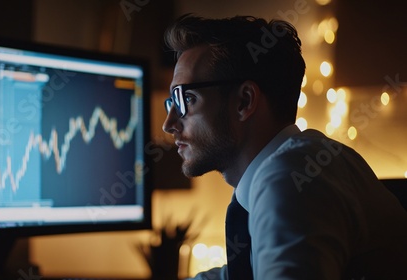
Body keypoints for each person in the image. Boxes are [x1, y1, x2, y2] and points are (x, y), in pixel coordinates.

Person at [162, 14, 407, 279]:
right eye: (171, 101)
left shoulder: (289, 179)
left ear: (244, 101)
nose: (169, 123)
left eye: (186, 98)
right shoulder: (308, 162)